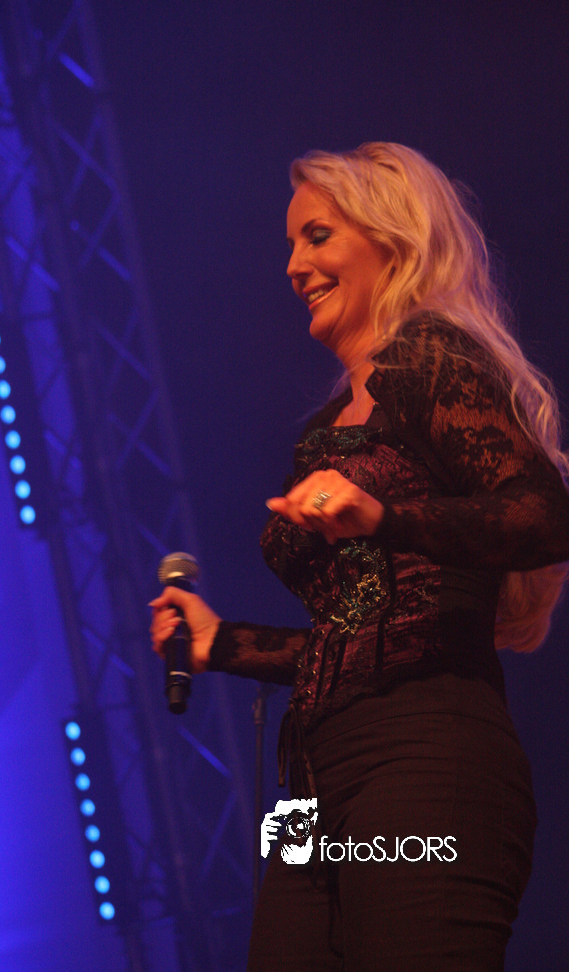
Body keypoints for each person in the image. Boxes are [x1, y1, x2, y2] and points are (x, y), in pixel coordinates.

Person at [150, 143, 569, 971]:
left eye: (317, 236)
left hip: (425, 755)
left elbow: (544, 518)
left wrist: (385, 516)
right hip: (314, 788)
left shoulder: (433, 362)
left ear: (392, 241)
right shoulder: (324, 430)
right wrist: (219, 643)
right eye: (290, 245)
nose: (293, 266)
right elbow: (356, 635)